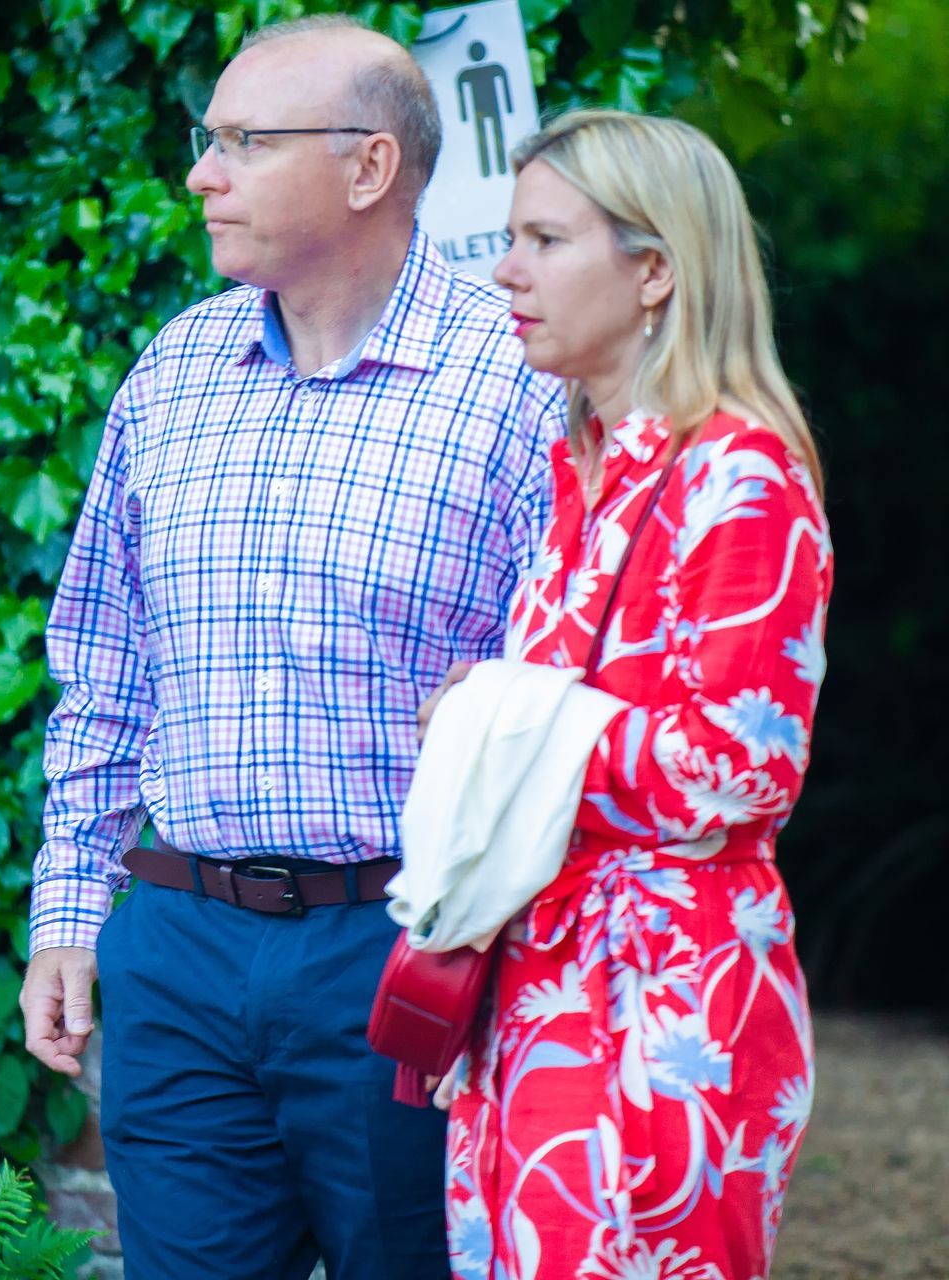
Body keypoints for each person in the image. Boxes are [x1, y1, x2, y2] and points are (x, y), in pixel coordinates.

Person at [16, 15, 565, 1279]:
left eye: (244, 143)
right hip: (179, 950)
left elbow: (561, 698)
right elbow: (104, 667)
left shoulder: (520, 384)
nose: (202, 171)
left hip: (407, 953)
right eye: (207, 140)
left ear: (370, 168)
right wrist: (71, 911)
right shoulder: (173, 371)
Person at [421, 110, 833, 1280]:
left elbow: (740, 771)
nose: (506, 269)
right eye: (512, 237)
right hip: (538, 976)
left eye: (544, 239)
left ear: (653, 270)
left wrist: (504, 719)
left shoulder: (740, 473)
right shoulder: (579, 467)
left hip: (666, 998)